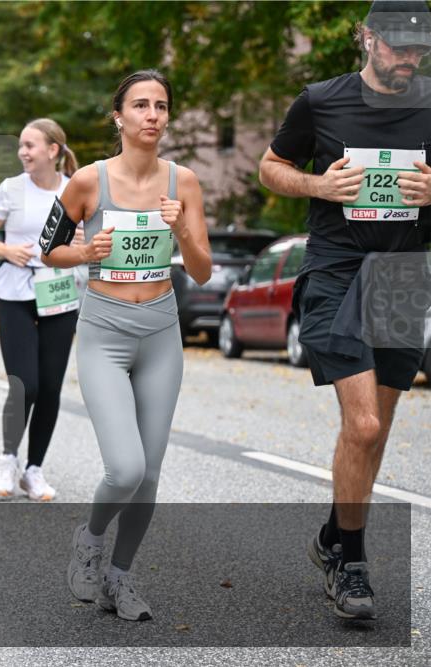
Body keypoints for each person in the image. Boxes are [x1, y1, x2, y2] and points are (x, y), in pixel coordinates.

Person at [258, 0, 431, 621]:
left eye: (419, 49)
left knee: (377, 427)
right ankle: (350, 560)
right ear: (366, 38)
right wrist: (316, 185)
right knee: (360, 426)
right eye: (397, 47)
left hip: (404, 275)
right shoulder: (320, 101)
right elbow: (271, 167)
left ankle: (334, 534)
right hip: (336, 270)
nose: (408, 59)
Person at [44, 70, 211, 621]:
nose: (152, 115)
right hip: (105, 332)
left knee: (152, 473)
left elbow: (204, 272)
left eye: (161, 105)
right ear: (119, 116)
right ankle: (90, 539)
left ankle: (119, 577)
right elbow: (48, 250)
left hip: (161, 329)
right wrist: (88, 253)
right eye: (140, 105)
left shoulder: (183, 182)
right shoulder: (88, 182)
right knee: (125, 469)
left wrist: (181, 229)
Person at [0, 118, 80, 501]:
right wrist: (6, 250)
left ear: (53, 151)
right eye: (21, 145)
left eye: (30, 145)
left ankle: (33, 470)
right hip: (16, 293)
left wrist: (84, 238)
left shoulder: (75, 190)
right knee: (25, 384)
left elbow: (95, 236)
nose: (22, 152)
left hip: (60, 293)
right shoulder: (11, 189)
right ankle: (8, 459)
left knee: (51, 388)